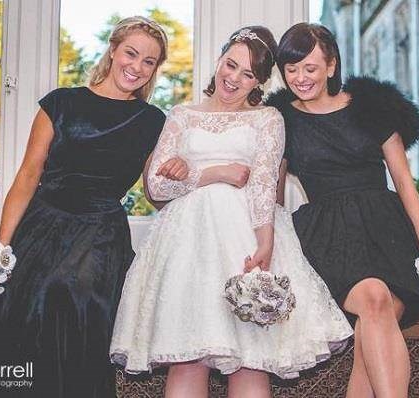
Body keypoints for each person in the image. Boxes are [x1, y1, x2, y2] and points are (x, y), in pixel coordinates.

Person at [109, 26, 352, 398]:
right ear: (219, 61)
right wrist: (212, 173)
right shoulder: (181, 115)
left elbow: (263, 185)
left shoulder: (267, 118)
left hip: (244, 240)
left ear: (260, 81)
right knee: (187, 359)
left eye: (248, 74)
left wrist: (265, 246)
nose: (234, 78)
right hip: (187, 247)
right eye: (231, 65)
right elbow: (158, 188)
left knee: (250, 359)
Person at [0, 16, 173, 398]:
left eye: (148, 61)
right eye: (131, 54)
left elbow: (157, 195)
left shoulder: (153, 121)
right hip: (39, 233)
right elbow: (26, 177)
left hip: (100, 240)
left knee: (79, 331)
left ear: (155, 69)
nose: (136, 67)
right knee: (19, 325)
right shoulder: (61, 103)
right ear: (114, 49)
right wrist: (1, 248)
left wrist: (175, 174)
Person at [268, 22, 419, 398]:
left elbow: (405, 183)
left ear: (331, 65)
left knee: (373, 328)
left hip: (386, 232)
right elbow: (273, 200)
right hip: (327, 235)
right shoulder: (279, 121)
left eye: (309, 68)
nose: (299, 78)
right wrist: (273, 258)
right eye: (291, 70)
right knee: (373, 299)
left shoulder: (374, 106)